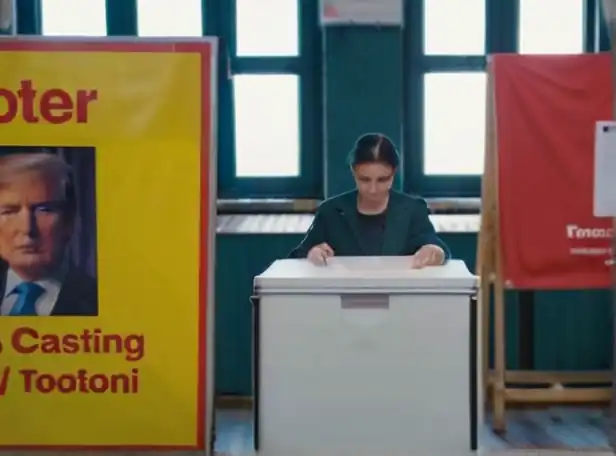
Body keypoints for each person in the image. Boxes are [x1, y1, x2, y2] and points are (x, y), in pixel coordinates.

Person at [289, 133, 450, 266]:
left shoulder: (413, 208)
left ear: (394, 172)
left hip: (399, 297)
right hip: (342, 297)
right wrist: (312, 253)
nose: (373, 189)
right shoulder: (331, 210)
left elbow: (434, 244)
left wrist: (434, 250)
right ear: (353, 171)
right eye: (364, 180)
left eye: (382, 180)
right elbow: (298, 255)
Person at [0, 152, 98, 316]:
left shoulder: (99, 301)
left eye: (44, 210)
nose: (26, 228)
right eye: (9, 211)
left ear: (69, 221)